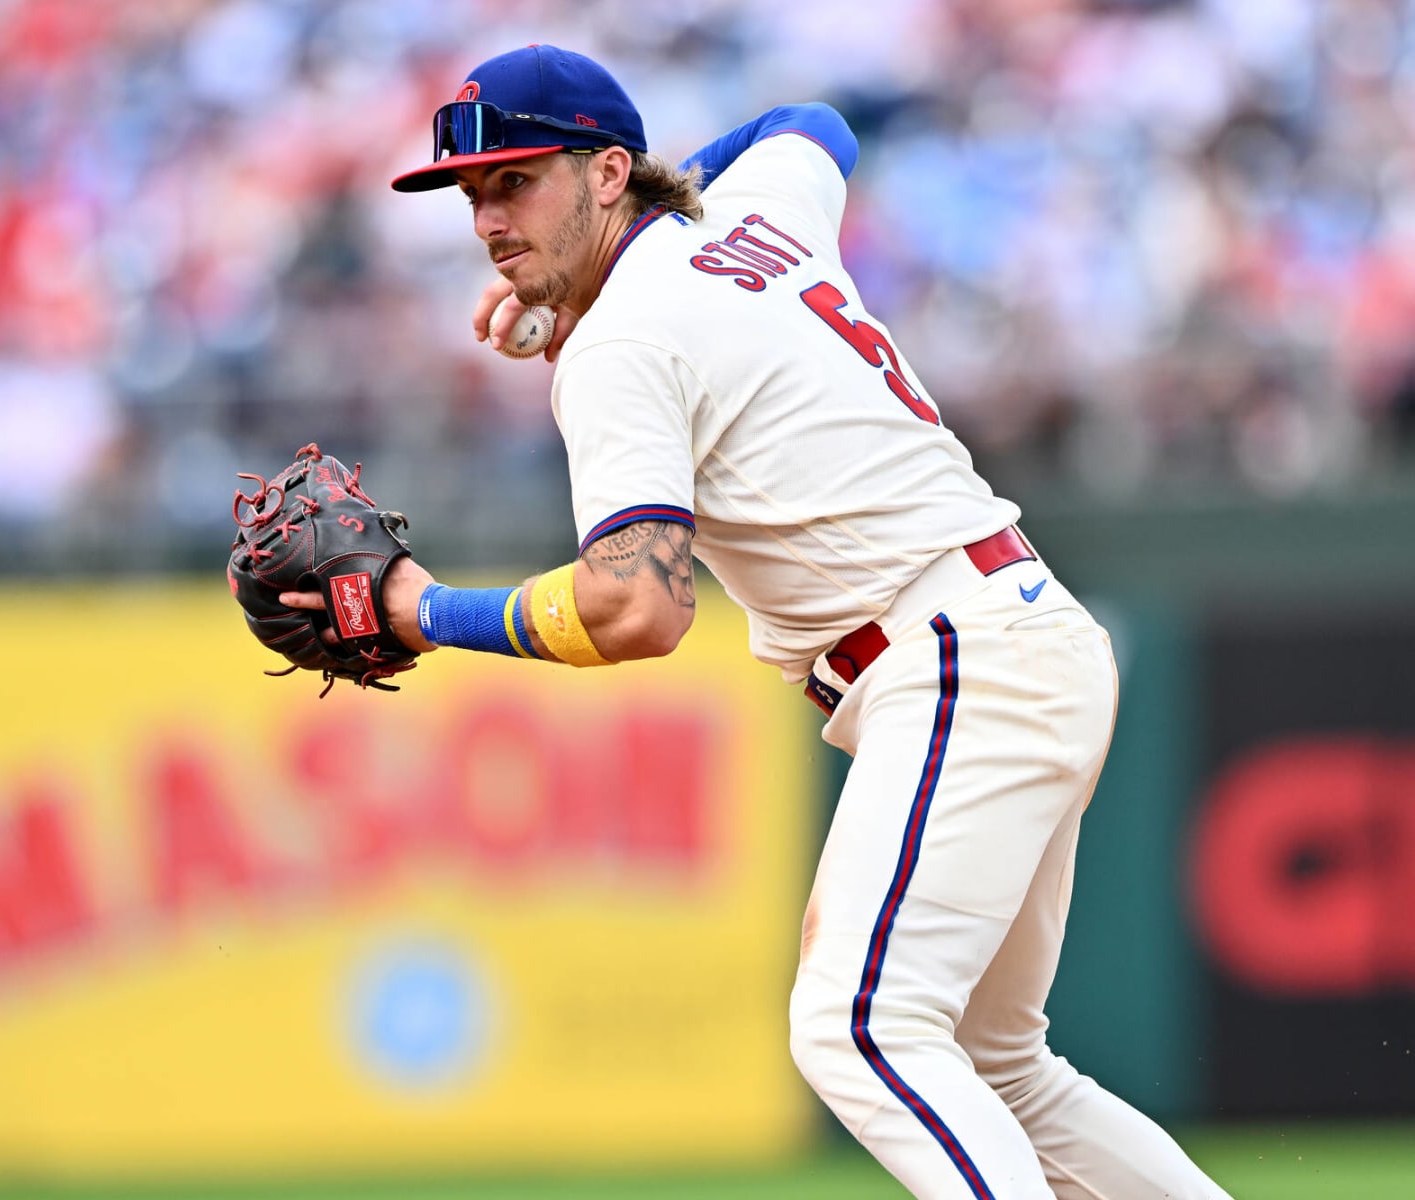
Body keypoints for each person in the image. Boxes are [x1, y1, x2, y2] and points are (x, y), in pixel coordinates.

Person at [289, 44, 1231, 1199]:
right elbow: (811, 121)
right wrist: (643, 218)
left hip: (949, 659)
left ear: (604, 174)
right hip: (1012, 628)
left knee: (859, 1030)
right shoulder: (745, 214)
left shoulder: (622, 343)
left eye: (518, 180)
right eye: (474, 193)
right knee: (997, 1068)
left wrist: (423, 611)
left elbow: (639, 606)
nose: (489, 217)